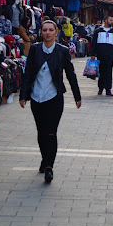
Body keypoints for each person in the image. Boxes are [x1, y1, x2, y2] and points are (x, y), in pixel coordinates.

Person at [20, 20, 82, 183]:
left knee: (51, 132)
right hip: (36, 96)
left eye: (50, 30)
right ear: (41, 32)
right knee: (41, 132)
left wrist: (77, 96)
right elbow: (28, 73)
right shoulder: (34, 49)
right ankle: (44, 158)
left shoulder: (62, 51)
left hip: (54, 97)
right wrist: (23, 95)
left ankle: (49, 167)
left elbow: (70, 73)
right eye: (44, 30)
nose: (47, 33)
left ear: (56, 32)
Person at [90, 15, 113, 97]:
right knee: (101, 71)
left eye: (112, 20)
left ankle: (108, 89)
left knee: (109, 72)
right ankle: (100, 88)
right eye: (110, 20)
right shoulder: (98, 31)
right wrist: (92, 54)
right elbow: (94, 43)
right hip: (100, 54)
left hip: (110, 55)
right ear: (105, 20)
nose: (112, 22)